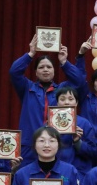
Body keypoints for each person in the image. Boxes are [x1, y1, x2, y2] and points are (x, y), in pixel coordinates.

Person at [10, 34, 84, 165]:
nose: (45, 70)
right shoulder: (27, 87)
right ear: (36, 72)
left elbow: (79, 80)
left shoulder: (61, 90)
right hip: (30, 144)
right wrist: (30, 54)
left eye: (49, 67)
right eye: (41, 67)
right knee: (28, 175)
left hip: (55, 142)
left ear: (54, 71)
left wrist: (64, 62)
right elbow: (14, 72)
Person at [54, 87, 96, 182]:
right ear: (57, 103)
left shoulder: (84, 124)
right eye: (62, 99)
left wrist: (77, 141)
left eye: (70, 99)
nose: (66, 102)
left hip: (78, 173)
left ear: (76, 103)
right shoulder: (49, 125)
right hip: (55, 172)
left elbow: (92, 152)